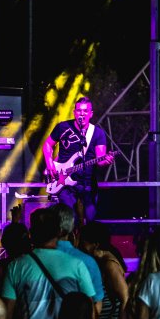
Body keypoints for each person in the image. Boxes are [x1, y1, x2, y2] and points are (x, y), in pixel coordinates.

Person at [41, 96, 114, 226]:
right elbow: (47, 145)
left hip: (87, 184)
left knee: (90, 220)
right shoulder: (62, 127)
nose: (82, 114)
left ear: (91, 114)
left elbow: (100, 159)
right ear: (74, 112)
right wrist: (50, 164)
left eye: (85, 111)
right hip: (64, 181)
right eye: (79, 110)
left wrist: (106, 161)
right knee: (69, 220)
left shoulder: (98, 133)